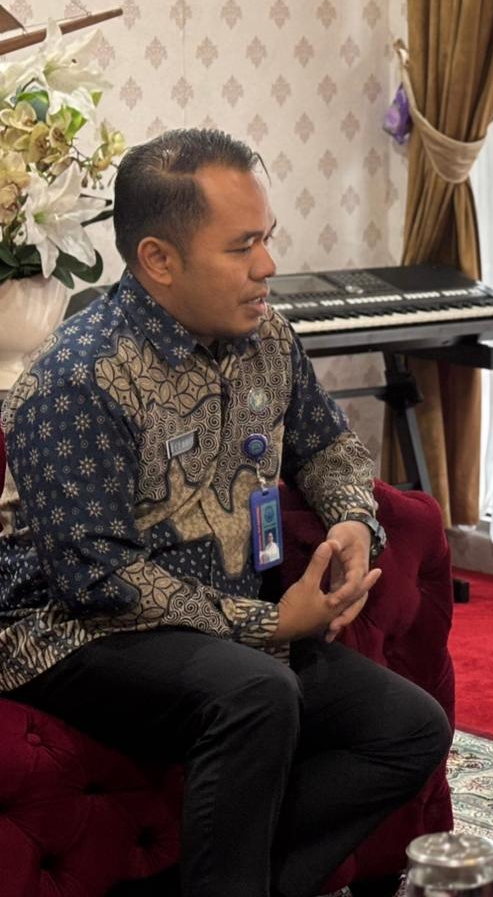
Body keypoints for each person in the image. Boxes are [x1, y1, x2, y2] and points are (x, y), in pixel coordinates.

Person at [0, 129, 451, 897]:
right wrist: (270, 625)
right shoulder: (79, 376)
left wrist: (352, 522)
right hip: (71, 631)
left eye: (267, 238)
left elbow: (329, 449)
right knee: (256, 693)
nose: (268, 265)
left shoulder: (266, 336)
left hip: (226, 621)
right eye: (243, 247)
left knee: (409, 728)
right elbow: (98, 579)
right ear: (159, 260)